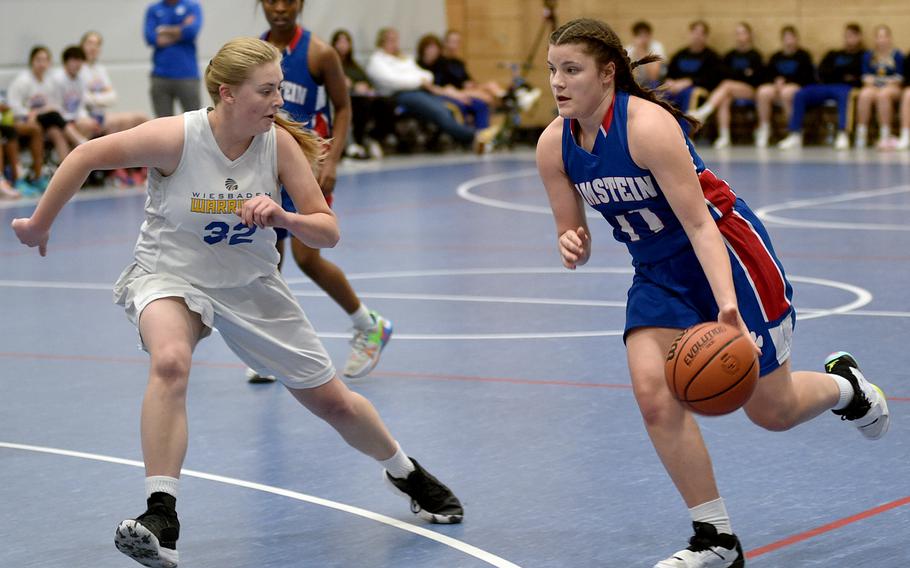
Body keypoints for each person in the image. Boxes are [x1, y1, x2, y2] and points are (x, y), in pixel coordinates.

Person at [11, 36, 463, 568]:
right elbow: (86, 154)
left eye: (278, 89)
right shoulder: (178, 137)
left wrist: (285, 218)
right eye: (267, 91)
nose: (279, 101)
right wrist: (39, 222)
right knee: (171, 361)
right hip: (170, 275)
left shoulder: (279, 146)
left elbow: (327, 232)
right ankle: (162, 515)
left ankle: (405, 470)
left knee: (334, 402)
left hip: (249, 285)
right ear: (227, 94)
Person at [537, 18, 889, 568]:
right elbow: (571, 226)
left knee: (771, 411)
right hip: (657, 271)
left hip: (729, 255)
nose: (558, 82)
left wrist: (727, 307)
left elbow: (702, 227)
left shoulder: (647, 127)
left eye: (572, 70)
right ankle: (716, 538)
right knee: (654, 395)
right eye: (553, 70)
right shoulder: (554, 146)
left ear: (607, 74)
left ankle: (848, 389)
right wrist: (571, 241)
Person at [254, 0, 393, 383]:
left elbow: (344, 107)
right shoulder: (258, 50)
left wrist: (331, 159)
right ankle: (271, 347)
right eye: (271, 0)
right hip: (270, 166)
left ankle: (368, 325)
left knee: (308, 257)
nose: (279, 8)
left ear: (300, 4)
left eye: (288, 1)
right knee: (269, 257)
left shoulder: (320, 53)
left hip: (309, 168)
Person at [366, 27, 500, 152]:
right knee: (439, 112)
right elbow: (393, 82)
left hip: (419, 91)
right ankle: (475, 136)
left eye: (395, 39)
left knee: (447, 109)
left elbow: (426, 75)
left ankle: (471, 139)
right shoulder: (377, 61)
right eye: (390, 40)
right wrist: (418, 81)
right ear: (381, 41)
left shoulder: (403, 59)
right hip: (399, 96)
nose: (393, 43)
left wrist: (418, 80)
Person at [777, 23, 865, 150]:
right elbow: (822, 71)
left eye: (852, 36)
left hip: (845, 87)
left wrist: (841, 75)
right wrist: (843, 74)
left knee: (845, 95)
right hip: (824, 85)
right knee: (800, 94)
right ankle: (795, 133)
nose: (849, 39)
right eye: (847, 36)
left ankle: (843, 133)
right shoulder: (833, 54)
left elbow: (858, 75)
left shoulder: (862, 55)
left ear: (859, 37)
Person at [689, 22, 764, 149]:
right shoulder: (730, 56)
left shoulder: (755, 55)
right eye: (738, 33)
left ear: (749, 36)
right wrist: (743, 73)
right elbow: (724, 73)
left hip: (750, 91)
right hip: (730, 91)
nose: (740, 36)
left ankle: (704, 112)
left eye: (743, 33)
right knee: (724, 98)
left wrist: (739, 76)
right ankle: (724, 136)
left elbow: (756, 78)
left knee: (727, 85)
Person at [8, 46, 75, 176]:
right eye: (38, 60)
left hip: (45, 120)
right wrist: (28, 113)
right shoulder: (22, 81)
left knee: (57, 132)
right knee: (54, 116)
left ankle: (67, 172)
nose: (42, 64)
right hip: (25, 120)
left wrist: (40, 111)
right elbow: (13, 105)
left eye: (45, 60)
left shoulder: (49, 81)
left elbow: (55, 104)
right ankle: (79, 140)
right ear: (32, 61)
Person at [330, 28, 390, 159]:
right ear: (334, 44)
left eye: (346, 42)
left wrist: (366, 87)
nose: (343, 45)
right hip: (345, 99)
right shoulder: (331, 63)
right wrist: (352, 86)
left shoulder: (354, 65)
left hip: (362, 96)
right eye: (340, 41)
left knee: (385, 103)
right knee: (362, 104)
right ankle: (356, 142)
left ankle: (374, 138)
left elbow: (366, 80)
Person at [754, 26, 815, 148]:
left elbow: (807, 77)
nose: (789, 41)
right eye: (786, 38)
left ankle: (794, 132)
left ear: (796, 39)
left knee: (787, 93)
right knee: (762, 92)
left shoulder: (803, 56)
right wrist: (776, 82)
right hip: (777, 87)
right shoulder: (776, 57)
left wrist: (787, 82)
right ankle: (765, 129)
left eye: (791, 38)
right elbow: (767, 75)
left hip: (797, 87)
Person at [417, 33, 491, 131]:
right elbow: (430, 88)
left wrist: (460, 93)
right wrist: (456, 94)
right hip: (433, 96)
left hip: (450, 93)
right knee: (460, 106)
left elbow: (455, 84)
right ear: (423, 50)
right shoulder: (417, 66)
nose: (433, 52)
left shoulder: (443, 63)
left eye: (435, 49)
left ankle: (482, 135)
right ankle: (465, 135)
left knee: (480, 104)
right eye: (430, 49)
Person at [144, 0, 203, 117]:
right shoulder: (153, 8)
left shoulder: (192, 6)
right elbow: (150, 37)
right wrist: (181, 28)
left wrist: (163, 30)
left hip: (187, 75)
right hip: (160, 75)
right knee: (162, 123)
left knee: (194, 120)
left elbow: (191, 31)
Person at [661, 20, 723, 121]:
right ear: (689, 34)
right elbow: (669, 73)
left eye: (700, 33)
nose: (697, 36)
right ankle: (660, 127)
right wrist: (670, 81)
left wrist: (690, 82)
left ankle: (686, 132)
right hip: (675, 88)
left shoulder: (712, 56)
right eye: (694, 32)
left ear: (705, 37)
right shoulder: (680, 54)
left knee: (690, 93)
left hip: (696, 91)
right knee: (657, 89)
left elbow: (712, 79)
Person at [854, 25, 904, 149]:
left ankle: (885, 134)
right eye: (879, 37)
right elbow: (866, 78)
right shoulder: (868, 55)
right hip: (874, 87)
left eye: (884, 36)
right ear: (875, 39)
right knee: (865, 94)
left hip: (892, 89)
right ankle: (861, 133)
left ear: (889, 38)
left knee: (883, 95)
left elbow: (898, 79)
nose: (881, 40)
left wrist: (880, 82)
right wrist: (881, 82)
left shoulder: (897, 55)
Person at [624, 21, 666, 89]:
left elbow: (653, 77)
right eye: (640, 36)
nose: (643, 39)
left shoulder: (657, 47)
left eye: (645, 36)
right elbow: (629, 76)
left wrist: (642, 52)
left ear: (650, 36)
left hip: (654, 83)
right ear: (634, 37)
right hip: (637, 83)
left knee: (653, 85)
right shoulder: (628, 50)